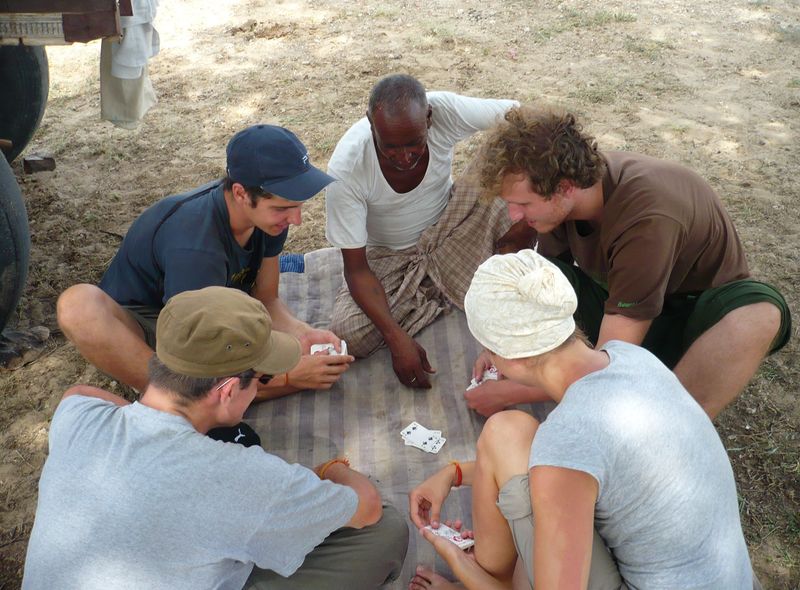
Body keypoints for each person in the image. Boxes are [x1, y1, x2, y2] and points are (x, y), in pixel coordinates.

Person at [408, 251, 760, 590]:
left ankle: (485, 580)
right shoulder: (632, 358)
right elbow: (580, 466)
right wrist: (453, 473)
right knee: (507, 432)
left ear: (502, 356)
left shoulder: (565, 439)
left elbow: (565, 462)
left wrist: (456, 560)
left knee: (505, 432)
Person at [23, 286, 408, 590]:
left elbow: (78, 392)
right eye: (263, 379)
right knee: (386, 531)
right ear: (226, 391)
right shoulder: (242, 475)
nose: (261, 388)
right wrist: (332, 468)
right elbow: (366, 508)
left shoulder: (79, 419)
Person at [466, 106, 791, 418]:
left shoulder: (648, 218)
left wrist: (513, 392)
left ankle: (671, 421)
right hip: (629, 301)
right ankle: (647, 382)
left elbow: (613, 364)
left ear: (564, 188)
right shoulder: (568, 195)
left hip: (692, 315)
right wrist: (503, 347)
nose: (514, 216)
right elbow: (548, 287)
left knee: (759, 312)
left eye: (522, 203)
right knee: (544, 278)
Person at [57, 124, 353, 398]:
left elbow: (266, 298)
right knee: (78, 306)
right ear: (240, 193)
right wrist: (288, 378)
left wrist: (302, 333)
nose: (296, 220)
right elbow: (199, 355)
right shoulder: (196, 249)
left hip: (206, 317)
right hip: (150, 327)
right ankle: (168, 396)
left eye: (299, 206)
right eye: (283, 208)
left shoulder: (266, 220)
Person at [325, 74, 525, 389]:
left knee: (513, 156)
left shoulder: (445, 109)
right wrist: (396, 337)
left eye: (414, 144)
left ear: (429, 119)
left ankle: (433, 285)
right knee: (350, 331)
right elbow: (357, 268)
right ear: (370, 124)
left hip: (451, 225)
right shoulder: (347, 169)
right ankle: (447, 283)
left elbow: (522, 117)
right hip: (390, 255)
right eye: (390, 148)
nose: (404, 157)